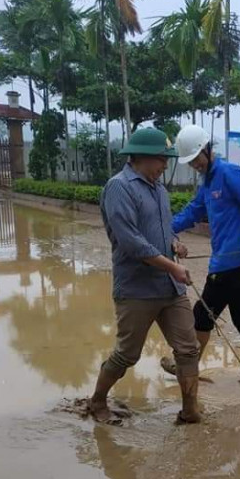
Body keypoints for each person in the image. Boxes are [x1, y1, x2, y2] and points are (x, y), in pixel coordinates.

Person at [89, 127, 202, 425]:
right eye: (162, 160)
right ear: (141, 157)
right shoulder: (119, 187)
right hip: (137, 289)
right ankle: (98, 401)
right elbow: (131, 241)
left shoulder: (159, 189)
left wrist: (175, 243)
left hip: (170, 288)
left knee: (188, 349)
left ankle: (190, 411)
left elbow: (164, 228)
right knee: (127, 354)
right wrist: (173, 266)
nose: (166, 165)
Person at [160, 124, 240, 387]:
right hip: (234, 262)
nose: (194, 165)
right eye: (190, 162)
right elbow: (193, 211)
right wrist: (165, 229)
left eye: (196, 158)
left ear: (207, 150)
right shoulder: (208, 183)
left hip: (232, 263)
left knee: (201, 316)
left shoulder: (228, 173)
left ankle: (186, 369)